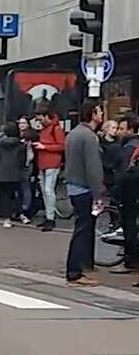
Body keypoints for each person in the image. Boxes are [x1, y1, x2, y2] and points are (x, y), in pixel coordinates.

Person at [64, 103, 108, 287]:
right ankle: (75, 272)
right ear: (94, 115)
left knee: (81, 228)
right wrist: (98, 191)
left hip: (74, 186)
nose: (102, 114)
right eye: (100, 111)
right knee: (83, 230)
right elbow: (93, 167)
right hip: (84, 188)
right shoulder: (89, 137)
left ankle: (76, 269)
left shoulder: (74, 133)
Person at [34, 110, 66, 231]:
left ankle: (50, 218)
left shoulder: (55, 129)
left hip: (52, 163)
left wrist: (44, 147)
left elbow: (62, 146)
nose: (39, 121)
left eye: (40, 118)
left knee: (48, 190)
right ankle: (49, 216)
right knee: (46, 191)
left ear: (47, 117)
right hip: (44, 163)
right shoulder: (49, 128)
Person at [115, 115, 139, 278]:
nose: (118, 132)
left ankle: (131, 260)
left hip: (130, 193)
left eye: (122, 129)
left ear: (131, 130)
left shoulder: (129, 147)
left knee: (129, 227)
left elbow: (124, 172)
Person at [0, 122, 27, 229]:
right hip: (15, 174)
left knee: (5, 196)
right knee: (16, 194)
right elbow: (22, 161)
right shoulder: (21, 146)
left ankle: (7, 219)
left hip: (0, 174)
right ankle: (21, 214)